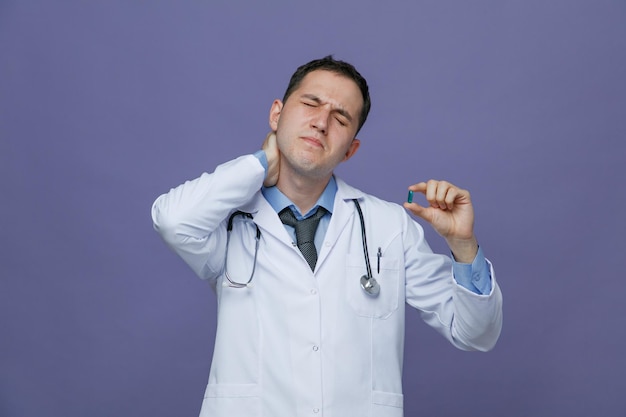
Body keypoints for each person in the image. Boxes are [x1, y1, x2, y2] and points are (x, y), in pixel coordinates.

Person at [151, 55, 503, 417]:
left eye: (340, 119)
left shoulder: (389, 226)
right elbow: (172, 220)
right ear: (276, 114)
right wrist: (259, 163)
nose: (320, 123)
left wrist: (462, 245)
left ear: (351, 149)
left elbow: (476, 333)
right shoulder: (228, 222)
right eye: (310, 104)